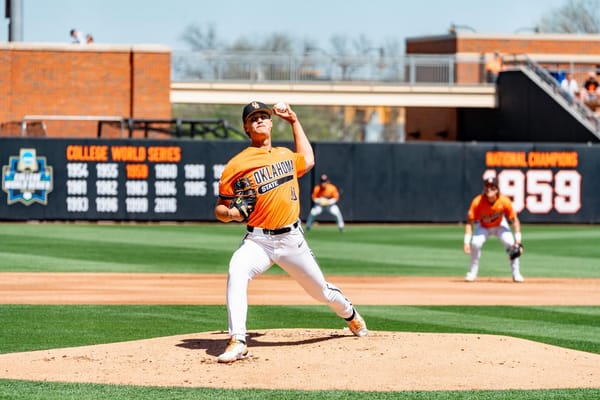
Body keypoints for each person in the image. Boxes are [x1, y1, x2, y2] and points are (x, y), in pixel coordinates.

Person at [213, 101, 367, 363]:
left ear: (271, 123)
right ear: (246, 127)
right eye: (254, 118)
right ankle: (237, 339)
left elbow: (308, 159)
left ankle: (350, 314)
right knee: (236, 271)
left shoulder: (285, 155)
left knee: (321, 292)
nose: (260, 120)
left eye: (264, 116)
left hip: (291, 239)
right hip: (258, 240)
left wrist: (294, 121)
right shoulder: (235, 166)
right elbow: (220, 207)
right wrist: (229, 214)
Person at [463, 177, 524, 283]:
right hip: (483, 226)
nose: (489, 189)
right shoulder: (477, 202)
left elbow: (515, 220)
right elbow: (470, 222)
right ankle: (472, 273)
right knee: (475, 244)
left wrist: (518, 241)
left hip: (500, 225)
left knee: (511, 243)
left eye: (492, 187)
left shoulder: (504, 201)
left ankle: (516, 274)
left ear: (497, 189)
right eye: (487, 186)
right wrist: (466, 242)